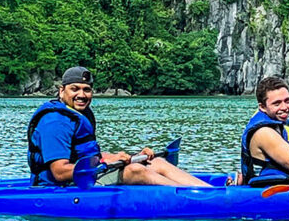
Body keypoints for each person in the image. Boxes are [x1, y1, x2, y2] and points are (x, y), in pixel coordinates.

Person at [27, 66, 210, 188]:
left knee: (155, 162)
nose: (81, 95)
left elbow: (89, 157)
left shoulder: (81, 114)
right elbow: (59, 172)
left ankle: (209, 191)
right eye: (75, 89)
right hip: (61, 187)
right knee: (135, 171)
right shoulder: (55, 122)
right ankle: (200, 199)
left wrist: (130, 157)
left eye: (87, 89)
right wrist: (108, 163)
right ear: (62, 91)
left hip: (85, 177)